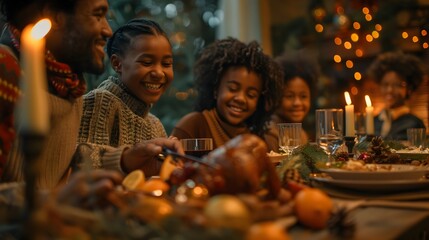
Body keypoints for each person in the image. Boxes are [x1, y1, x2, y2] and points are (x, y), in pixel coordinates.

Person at [0, 0, 183, 189]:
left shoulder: (70, 86)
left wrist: (126, 159)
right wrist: (51, 201)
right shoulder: (5, 71)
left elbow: (70, 164)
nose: (108, 30)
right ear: (54, 17)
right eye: (98, 15)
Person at [78, 18, 175, 177]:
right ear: (117, 64)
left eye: (166, 64)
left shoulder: (155, 124)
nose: (158, 72)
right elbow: (81, 163)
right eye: (146, 62)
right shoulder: (101, 102)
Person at [171, 38, 283, 149]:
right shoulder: (194, 125)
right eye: (233, 88)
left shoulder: (255, 137)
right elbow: (171, 164)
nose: (240, 98)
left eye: (251, 95)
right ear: (215, 89)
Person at [264, 54, 318, 152]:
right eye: (289, 96)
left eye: (303, 96)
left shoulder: (302, 133)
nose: (297, 103)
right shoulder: (270, 133)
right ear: (275, 96)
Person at [367, 51, 426, 140]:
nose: (390, 90)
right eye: (385, 84)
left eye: (397, 85)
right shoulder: (372, 122)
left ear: (409, 88)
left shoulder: (415, 124)